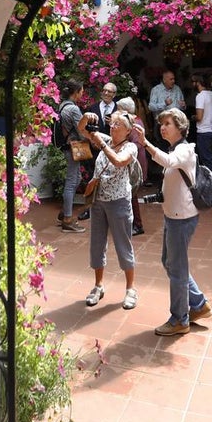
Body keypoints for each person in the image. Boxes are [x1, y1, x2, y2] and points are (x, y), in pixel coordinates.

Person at [135, 108, 212, 336]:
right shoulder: (176, 149)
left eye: (167, 123)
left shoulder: (185, 150)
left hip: (182, 219)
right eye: (162, 123)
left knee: (177, 269)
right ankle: (198, 304)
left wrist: (145, 143)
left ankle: (180, 319)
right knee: (169, 262)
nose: (163, 126)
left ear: (179, 127)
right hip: (173, 216)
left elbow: (168, 162)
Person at [81, 112, 140, 310]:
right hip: (99, 201)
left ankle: (130, 289)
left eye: (118, 125)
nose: (113, 127)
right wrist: (85, 117)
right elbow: (82, 129)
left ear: (128, 130)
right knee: (97, 245)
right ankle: (98, 286)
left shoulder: (130, 147)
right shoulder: (105, 139)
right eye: (112, 123)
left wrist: (102, 144)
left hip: (119, 202)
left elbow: (118, 161)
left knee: (123, 245)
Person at [57, 80, 88, 233]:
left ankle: (65, 211)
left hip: (67, 146)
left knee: (77, 179)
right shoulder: (73, 109)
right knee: (71, 181)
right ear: (75, 92)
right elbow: (82, 130)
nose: (82, 94)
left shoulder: (62, 105)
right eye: (81, 91)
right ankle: (67, 220)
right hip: (73, 147)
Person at [116, 96, 148, 235]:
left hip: (135, 165)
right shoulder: (133, 122)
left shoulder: (134, 124)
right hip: (132, 163)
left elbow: (137, 144)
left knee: (132, 194)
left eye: (118, 110)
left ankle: (137, 225)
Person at [192, 75, 212, 173]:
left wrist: (192, 117)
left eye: (193, 82)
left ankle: (211, 186)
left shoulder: (200, 96)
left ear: (198, 82)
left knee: (206, 161)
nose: (192, 84)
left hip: (203, 132)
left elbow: (199, 117)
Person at [147, 70, 186, 137]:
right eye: (171, 79)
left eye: (174, 79)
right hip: (162, 124)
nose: (173, 81)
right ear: (164, 80)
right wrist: (164, 103)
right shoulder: (156, 90)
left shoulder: (177, 89)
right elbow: (151, 107)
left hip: (176, 123)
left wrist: (183, 105)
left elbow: (182, 106)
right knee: (163, 146)